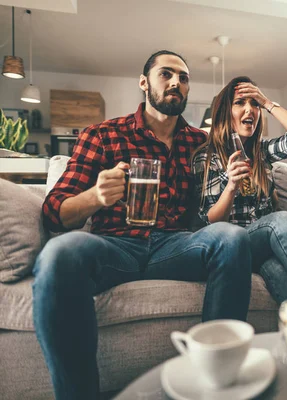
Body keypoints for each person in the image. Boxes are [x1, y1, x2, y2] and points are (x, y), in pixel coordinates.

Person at [32, 50, 253, 400]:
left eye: (183, 77)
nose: (176, 83)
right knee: (60, 251)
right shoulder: (103, 135)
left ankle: (215, 383)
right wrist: (96, 197)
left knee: (232, 238)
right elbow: (53, 213)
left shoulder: (201, 143)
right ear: (144, 82)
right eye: (166, 74)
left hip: (175, 245)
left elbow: (210, 210)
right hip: (114, 246)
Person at [191, 76, 287, 304]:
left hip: (261, 251)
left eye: (254, 103)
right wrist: (230, 186)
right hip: (232, 244)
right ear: (225, 112)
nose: (250, 109)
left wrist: (267, 102)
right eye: (240, 103)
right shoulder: (206, 157)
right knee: (281, 220)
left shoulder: (263, 151)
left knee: (282, 278)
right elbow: (211, 222)